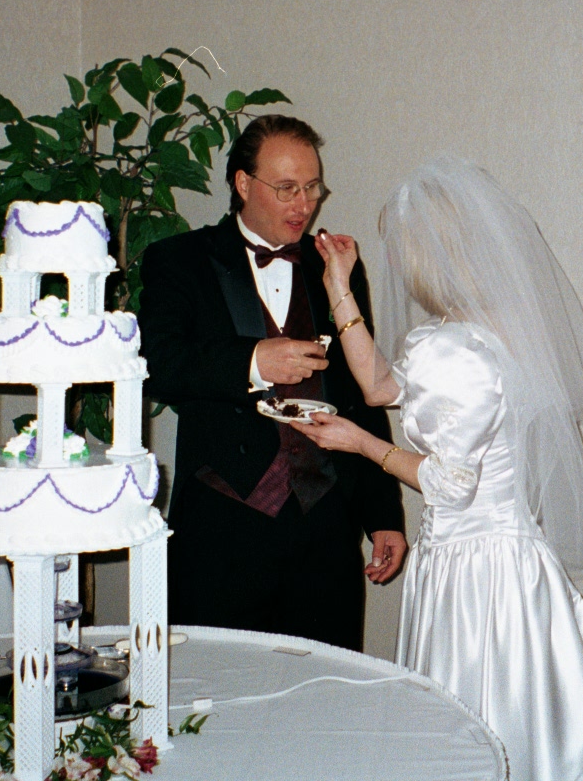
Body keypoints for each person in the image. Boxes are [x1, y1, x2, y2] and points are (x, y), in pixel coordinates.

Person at [291, 156, 583, 780]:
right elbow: (380, 387)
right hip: (503, 565)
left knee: (476, 738)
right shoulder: (486, 333)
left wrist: (358, 443)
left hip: (476, 579)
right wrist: (340, 282)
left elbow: (449, 484)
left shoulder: (452, 349)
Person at [137, 114, 407, 652]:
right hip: (221, 529)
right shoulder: (179, 260)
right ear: (243, 183)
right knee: (218, 688)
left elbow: (363, 392)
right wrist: (252, 361)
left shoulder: (337, 266)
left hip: (325, 528)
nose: (304, 204)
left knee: (325, 686)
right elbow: (155, 364)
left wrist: (382, 514)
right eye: (287, 188)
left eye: (312, 187)